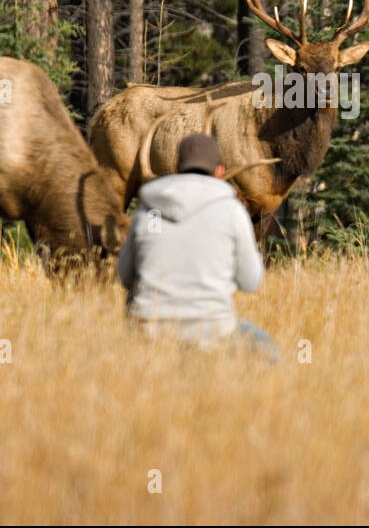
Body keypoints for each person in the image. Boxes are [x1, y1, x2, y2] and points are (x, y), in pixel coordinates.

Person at [116, 132, 280, 363]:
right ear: (220, 172)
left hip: (149, 330)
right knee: (271, 355)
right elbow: (251, 282)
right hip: (212, 328)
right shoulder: (231, 211)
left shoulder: (149, 211)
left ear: (175, 168)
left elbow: (124, 277)